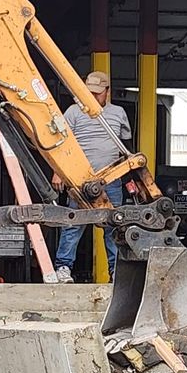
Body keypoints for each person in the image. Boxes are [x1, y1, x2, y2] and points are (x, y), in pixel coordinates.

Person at [51, 70, 132, 283]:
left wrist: (131, 176)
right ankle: (63, 268)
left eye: (98, 93)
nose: (93, 97)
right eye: (89, 93)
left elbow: (125, 147)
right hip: (80, 180)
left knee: (114, 227)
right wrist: (58, 172)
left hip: (112, 179)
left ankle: (117, 273)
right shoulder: (73, 112)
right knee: (73, 225)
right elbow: (61, 144)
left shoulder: (119, 113)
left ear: (108, 91)